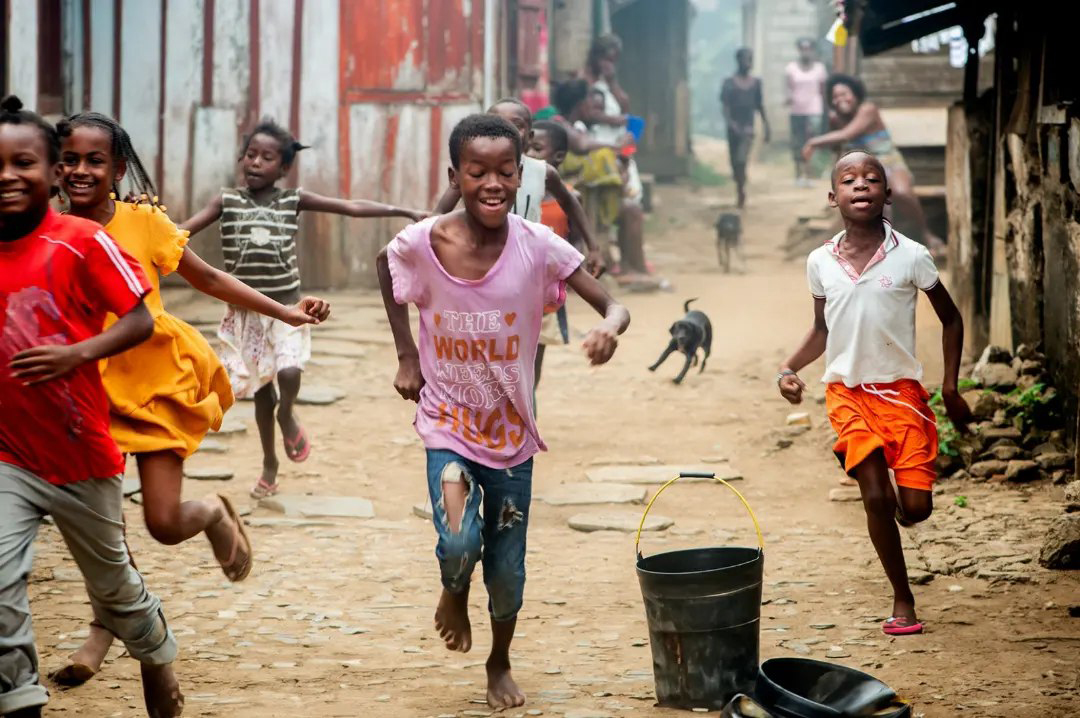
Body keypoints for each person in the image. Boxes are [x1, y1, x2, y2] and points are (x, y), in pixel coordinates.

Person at [50, 111, 332, 686]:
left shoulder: (144, 222)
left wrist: (286, 312)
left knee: (162, 522)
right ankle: (101, 634)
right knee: (104, 529)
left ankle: (210, 512)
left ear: (118, 169)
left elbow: (208, 279)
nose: (81, 170)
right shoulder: (48, 229)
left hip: (154, 381)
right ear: (57, 167)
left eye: (95, 160)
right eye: (71, 160)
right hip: (86, 387)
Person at [376, 114, 629, 709]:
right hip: (448, 423)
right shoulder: (425, 241)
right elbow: (385, 271)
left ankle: (499, 661)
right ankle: (452, 589)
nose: (492, 183)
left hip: (512, 433)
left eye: (505, 171)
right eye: (477, 171)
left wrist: (610, 330)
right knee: (461, 542)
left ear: (522, 174)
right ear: (454, 175)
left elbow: (612, 304)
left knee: (508, 570)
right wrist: (407, 353)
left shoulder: (538, 245)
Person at [0, 95, 182, 718]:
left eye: (21, 161)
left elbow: (138, 320)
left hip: (81, 452)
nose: (6, 175)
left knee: (115, 588)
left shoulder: (81, 242)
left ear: (45, 172)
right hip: (8, 457)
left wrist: (76, 356)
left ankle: (156, 652)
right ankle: (21, 699)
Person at [777, 150, 972, 636]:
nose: (861, 185)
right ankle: (902, 597)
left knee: (917, 508)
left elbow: (951, 317)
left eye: (871, 179)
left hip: (901, 393)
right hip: (846, 393)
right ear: (833, 196)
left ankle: (900, 508)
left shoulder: (911, 256)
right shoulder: (820, 261)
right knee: (874, 496)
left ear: (887, 194)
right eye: (849, 179)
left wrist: (949, 386)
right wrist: (787, 368)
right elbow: (821, 329)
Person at [182, 118, 427, 499]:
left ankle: (288, 412)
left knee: (290, 371)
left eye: (266, 158)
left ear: (282, 169)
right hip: (247, 315)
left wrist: (405, 211)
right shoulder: (225, 200)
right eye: (250, 155)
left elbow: (350, 207)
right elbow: (181, 232)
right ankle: (269, 464)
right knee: (262, 392)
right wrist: (146, 227)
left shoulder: (291, 199)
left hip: (287, 308)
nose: (256, 163)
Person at [432, 98, 603, 277]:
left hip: (529, 262)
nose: (506, 131)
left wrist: (594, 248)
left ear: (529, 137)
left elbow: (570, 202)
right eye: (497, 125)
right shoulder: (474, 174)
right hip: (483, 260)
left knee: (545, 303)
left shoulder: (542, 171)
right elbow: (438, 215)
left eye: (516, 125)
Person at [802, 74, 945, 257]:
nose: (841, 100)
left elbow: (847, 135)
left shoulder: (868, 109)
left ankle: (926, 233)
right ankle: (877, 248)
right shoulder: (835, 119)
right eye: (835, 97)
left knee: (901, 192)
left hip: (889, 162)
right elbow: (838, 149)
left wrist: (813, 143)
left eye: (844, 94)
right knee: (869, 199)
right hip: (862, 170)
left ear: (855, 94)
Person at [528, 120, 580, 385]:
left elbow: (576, 243)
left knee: (534, 359)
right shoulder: (513, 194)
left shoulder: (569, 199)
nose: (529, 155)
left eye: (537, 148)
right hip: (511, 288)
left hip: (547, 295)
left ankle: (527, 412)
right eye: (527, 147)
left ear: (558, 156)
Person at [721, 48, 770, 208]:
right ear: (738, 61)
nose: (748, 63)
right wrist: (730, 123)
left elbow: (759, 106)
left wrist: (766, 126)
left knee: (741, 159)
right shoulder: (729, 83)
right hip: (733, 128)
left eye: (750, 59)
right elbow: (726, 106)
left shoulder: (756, 83)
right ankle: (739, 184)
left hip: (747, 129)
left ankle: (741, 190)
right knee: (734, 162)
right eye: (745, 59)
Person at [785, 39, 827, 186]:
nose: (806, 51)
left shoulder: (819, 68)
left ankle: (809, 175)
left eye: (808, 48)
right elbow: (789, 88)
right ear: (799, 50)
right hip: (796, 110)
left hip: (814, 110)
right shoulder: (791, 68)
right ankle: (798, 175)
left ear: (812, 50)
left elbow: (822, 90)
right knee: (797, 142)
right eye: (803, 48)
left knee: (811, 142)